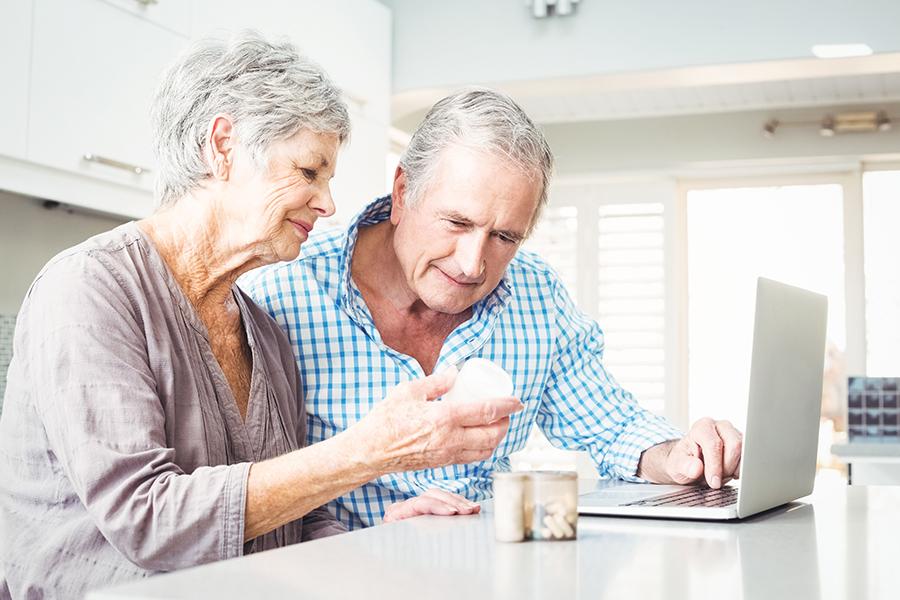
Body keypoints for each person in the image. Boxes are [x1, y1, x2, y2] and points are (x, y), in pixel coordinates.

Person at [0, 35, 522, 599]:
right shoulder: (89, 290)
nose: (327, 203)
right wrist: (366, 452)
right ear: (222, 146)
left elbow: (290, 521)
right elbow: (148, 520)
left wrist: (374, 536)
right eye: (308, 171)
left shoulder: (264, 331)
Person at [241, 88, 744, 530]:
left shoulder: (535, 294)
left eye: (504, 236)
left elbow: (609, 426)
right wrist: (375, 539)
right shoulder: (280, 293)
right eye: (457, 222)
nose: (472, 263)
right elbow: (255, 493)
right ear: (401, 193)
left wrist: (680, 456)